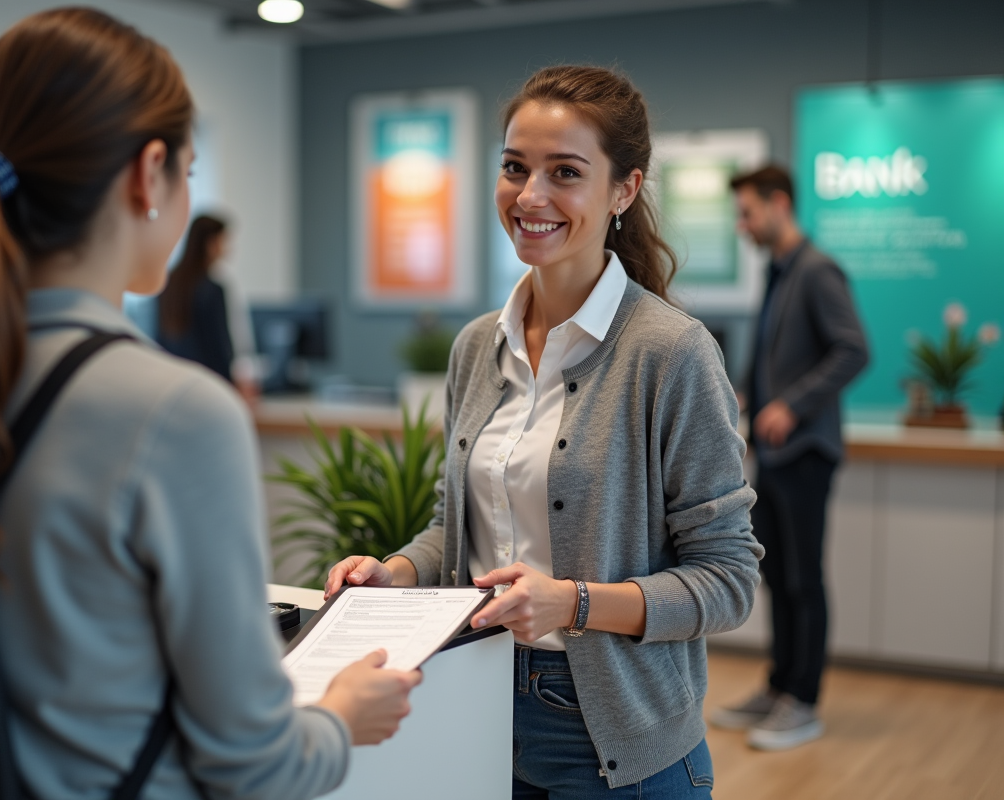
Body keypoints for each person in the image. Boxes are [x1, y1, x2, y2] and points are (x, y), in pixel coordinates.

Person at [0, 9, 419, 800]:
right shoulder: (176, 414)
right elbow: (254, 763)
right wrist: (341, 716)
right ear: (149, 173)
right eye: (189, 171)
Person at [325, 65, 764, 799]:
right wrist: (394, 572)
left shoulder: (671, 353)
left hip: (617, 736)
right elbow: (457, 527)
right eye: (514, 168)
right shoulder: (477, 346)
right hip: (475, 699)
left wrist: (573, 602)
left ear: (623, 190)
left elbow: (728, 580)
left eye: (565, 172)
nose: (530, 196)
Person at [711, 165, 868, 750]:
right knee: (777, 575)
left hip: (805, 453)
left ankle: (803, 701)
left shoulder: (818, 270)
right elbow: (776, 356)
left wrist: (791, 406)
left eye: (748, 213)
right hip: (775, 456)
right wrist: (749, 397)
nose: (742, 225)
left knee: (804, 579)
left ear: (780, 204)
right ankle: (778, 687)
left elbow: (854, 349)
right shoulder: (780, 272)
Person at [158, 214, 258, 403]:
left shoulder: (168, 284)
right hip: (209, 387)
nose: (227, 248)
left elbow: (160, 339)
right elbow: (220, 346)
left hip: (173, 384)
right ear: (210, 243)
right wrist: (232, 388)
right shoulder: (212, 290)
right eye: (223, 241)